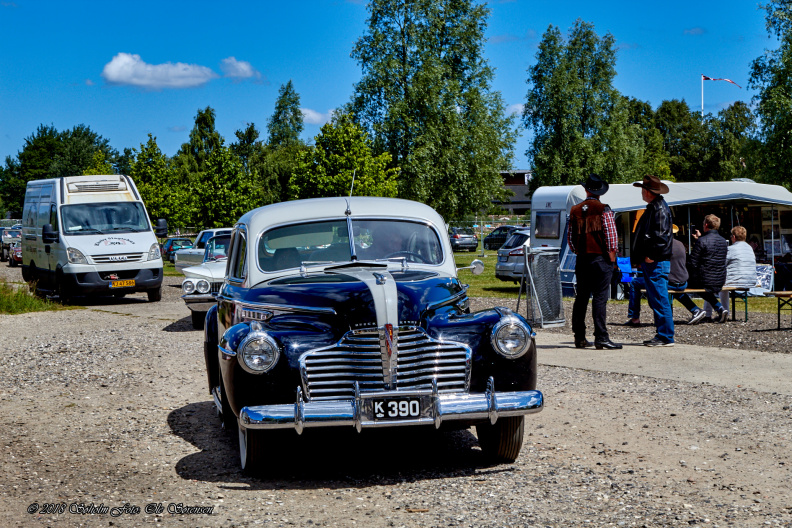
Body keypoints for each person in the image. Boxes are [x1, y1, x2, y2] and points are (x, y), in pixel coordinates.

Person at [568, 174, 622, 350]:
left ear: (586, 190)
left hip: (582, 259)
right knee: (599, 298)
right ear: (600, 192)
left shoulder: (575, 210)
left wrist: (579, 251)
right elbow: (612, 239)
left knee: (581, 297)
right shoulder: (604, 209)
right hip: (600, 259)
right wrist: (612, 260)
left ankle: (580, 337)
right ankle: (601, 337)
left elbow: (570, 239)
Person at [626, 224, 707, 326]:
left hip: (670, 281)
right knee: (676, 290)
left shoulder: (662, 246)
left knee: (635, 283)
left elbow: (651, 262)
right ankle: (695, 310)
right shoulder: (680, 244)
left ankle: (634, 318)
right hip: (682, 281)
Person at [631, 175, 675, 346]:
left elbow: (660, 237)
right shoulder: (656, 207)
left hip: (656, 261)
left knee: (659, 298)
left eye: (643, 189)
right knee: (657, 298)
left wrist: (651, 255)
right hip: (655, 261)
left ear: (648, 192)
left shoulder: (658, 209)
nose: (642, 192)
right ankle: (663, 334)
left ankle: (665, 336)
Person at [676, 214, 729, 323]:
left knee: (678, 287)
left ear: (705, 225)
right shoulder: (723, 241)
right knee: (704, 286)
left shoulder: (702, 241)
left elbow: (693, 263)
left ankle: (695, 310)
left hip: (705, 279)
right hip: (720, 279)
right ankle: (719, 308)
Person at [703, 225, 757, 318]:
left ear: (734, 237)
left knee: (710, 285)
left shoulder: (731, 249)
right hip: (750, 280)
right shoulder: (749, 248)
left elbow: (721, 263)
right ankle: (724, 312)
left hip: (737, 280)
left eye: (731, 236)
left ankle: (710, 313)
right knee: (722, 286)